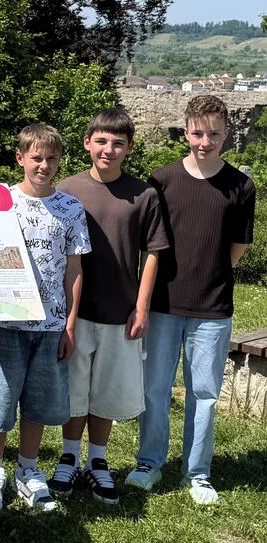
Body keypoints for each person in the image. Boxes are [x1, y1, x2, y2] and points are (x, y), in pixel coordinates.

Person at [130, 95, 256, 505]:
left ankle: (197, 473)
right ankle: (149, 462)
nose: (205, 142)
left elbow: (236, 247)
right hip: (165, 303)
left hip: (213, 308)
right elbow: (150, 244)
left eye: (214, 134)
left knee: (204, 393)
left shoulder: (241, 185)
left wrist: (210, 274)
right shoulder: (161, 180)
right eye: (198, 133)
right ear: (185, 131)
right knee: (155, 390)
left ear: (226, 134)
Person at [47, 109, 168, 505]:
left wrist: (142, 306)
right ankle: (69, 456)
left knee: (107, 393)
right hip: (75, 311)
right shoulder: (66, 190)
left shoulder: (144, 194)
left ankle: (98, 461)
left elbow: (152, 253)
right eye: (101, 141)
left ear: (129, 148)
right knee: (74, 390)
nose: (108, 149)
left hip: (121, 310)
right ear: (87, 143)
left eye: (117, 143)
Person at [0, 123, 90, 513]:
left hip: (49, 324)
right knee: (1, 399)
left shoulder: (70, 209)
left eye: (51, 158)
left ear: (60, 161)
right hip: (6, 323)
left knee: (38, 400)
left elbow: (74, 271)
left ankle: (27, 469)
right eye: (36, 157)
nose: (43, 165)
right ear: (20, 158)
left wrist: (69, 324)